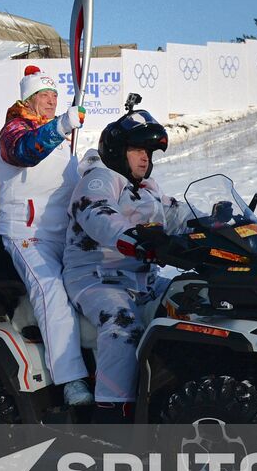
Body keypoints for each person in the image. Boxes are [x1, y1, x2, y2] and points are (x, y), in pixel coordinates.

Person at [63, 112, 190, 421]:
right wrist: (134, 237)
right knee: (123, 327)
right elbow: (97, 213)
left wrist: (224, 225)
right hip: (96, 278)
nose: (145, 158)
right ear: (118, 151)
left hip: (141, 281)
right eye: (137, 151)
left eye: (148, 152)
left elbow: (177, 214)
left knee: (190, 303)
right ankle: (111, 414)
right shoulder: (99, 178)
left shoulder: (147, 187)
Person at [0, 64, 88, 406]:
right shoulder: (13, 130)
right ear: (29, 99)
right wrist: (62, 124)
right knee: (52, 292)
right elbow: (25, 152)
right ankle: (71, 379)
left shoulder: (60, 138)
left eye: (54, 95)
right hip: (26, 234)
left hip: (64, 234)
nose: (52, 100)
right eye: (44, 95)